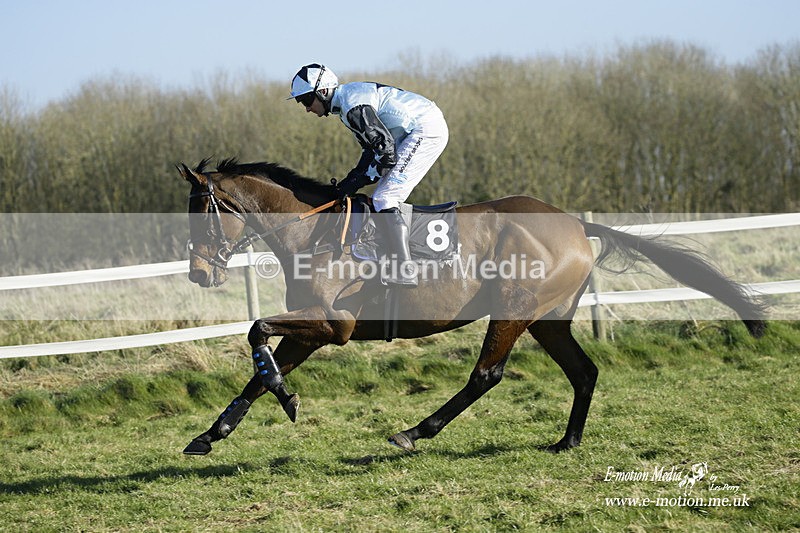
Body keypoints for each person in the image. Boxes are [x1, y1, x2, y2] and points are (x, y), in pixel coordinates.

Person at [289, 63, 449, 286]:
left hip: (425, 129)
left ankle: (405, 269)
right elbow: (371, 151)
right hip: (412, 130)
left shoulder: (353, 107)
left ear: (323, 91)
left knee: (386, 198)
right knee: (382, 195)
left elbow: (386, 155)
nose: (306, 108)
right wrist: (350, 182)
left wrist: (360, 179)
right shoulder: (346, 105)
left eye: (306, 100)